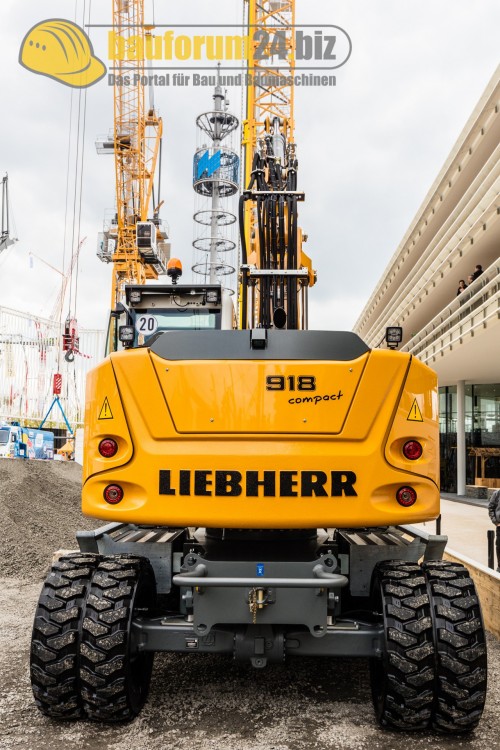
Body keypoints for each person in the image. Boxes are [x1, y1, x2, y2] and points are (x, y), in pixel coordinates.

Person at [487, 488, 500, 572]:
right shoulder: (497, 493)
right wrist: (496, 522)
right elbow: (491, 508)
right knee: (499, 546)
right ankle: (499, 566)